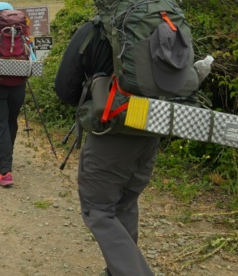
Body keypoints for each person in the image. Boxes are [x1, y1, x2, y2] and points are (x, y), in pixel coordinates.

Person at [54, 20, 160, 276]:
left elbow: (65, 89)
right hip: (152, 127)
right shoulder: (164, 25)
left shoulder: (96, 30)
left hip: (111, 131)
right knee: (125, 202)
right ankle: (118, 270)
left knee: (98, 209)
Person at [0, 2, 36, 187]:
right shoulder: (22, 36)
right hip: (18, 86)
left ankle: (5, 172)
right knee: (11, 122)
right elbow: (32, 60)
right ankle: (7, 158)